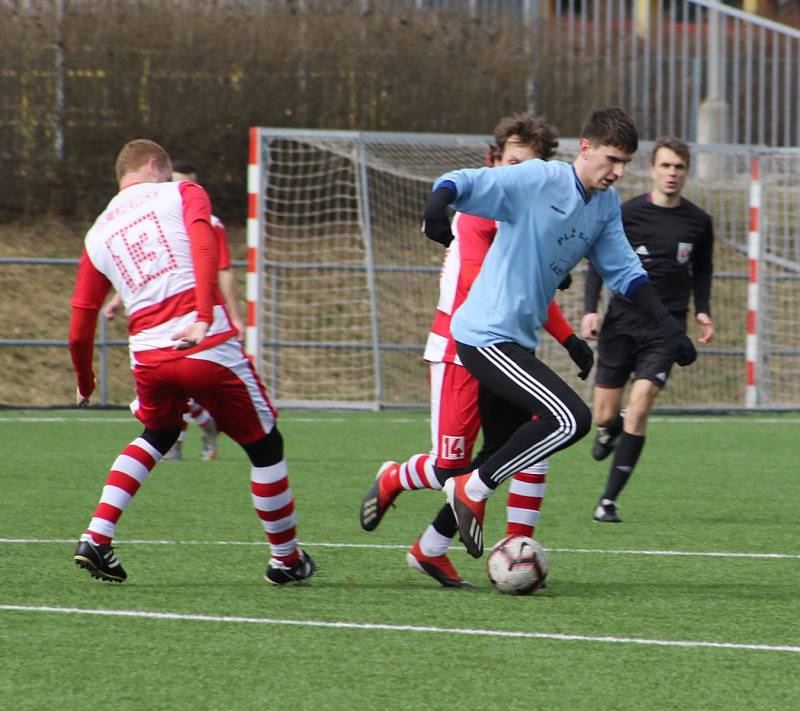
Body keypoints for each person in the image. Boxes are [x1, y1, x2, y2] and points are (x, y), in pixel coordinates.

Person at [420, 107, 697, 559]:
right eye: (611, 158)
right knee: (571, 419)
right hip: (482, 334)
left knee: (505, 444)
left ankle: (429, 547)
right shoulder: (538, 179)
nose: (618, 171)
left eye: (625, 162)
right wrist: (437, 204)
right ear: (585, 148)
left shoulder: (605, 205)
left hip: (516, 340)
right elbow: (465, 181)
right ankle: (471, 488)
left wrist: (668, 327)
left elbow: (626, 273)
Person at [359, 114, 594, 588]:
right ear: (492, 162)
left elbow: (525, 287)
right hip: (459, 347)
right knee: (452, 466)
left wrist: (568, 338)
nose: (515, 175)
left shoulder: (527, 215)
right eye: (509, 163)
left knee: (526, 444)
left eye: (526, 167)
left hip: (503, 347)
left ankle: (501, 547)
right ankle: (394, 478)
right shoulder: (476, 213)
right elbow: (492, 284)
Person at [69, 139, 314, 585]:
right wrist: (203, 316)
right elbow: (205, 250)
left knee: (156, 434)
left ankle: (97, 536)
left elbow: (81, 316)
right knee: (265, 446)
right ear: (154, 166)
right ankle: (286, 560)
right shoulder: (181, 192)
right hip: (203, 343)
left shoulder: (98, 231)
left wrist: (84, 380)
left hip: (148, 355)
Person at [581, 135, 714, 523]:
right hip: (621, 322)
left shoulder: (699, 221)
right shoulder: (627, 212)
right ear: (652, 169)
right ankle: (609, 428)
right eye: (665, 165)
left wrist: (702, 311)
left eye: (679, 167)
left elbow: (702, 270)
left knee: (639, 408)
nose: (672, 173)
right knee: (604, 414)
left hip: (666, 328)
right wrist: (591, 310)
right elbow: (599, 261)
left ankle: (608, 501)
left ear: (686, 173)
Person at [101, 159, 244, 462]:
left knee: (188, 386)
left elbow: (224, 270)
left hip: (201, 319)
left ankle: (189, 433)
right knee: (172, 388)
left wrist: (235, 316)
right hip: (161, 324)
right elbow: (143, 273)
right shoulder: (148, 218)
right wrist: (116, 301)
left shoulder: (210, 223)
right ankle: (186, 435)